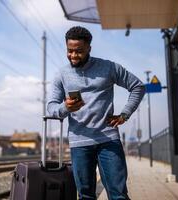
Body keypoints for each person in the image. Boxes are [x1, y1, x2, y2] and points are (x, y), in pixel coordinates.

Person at [47, 26, 145, 200]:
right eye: (70, 51)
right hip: (80, 143)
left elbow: (137, 86)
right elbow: (51, 107)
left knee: (119, 195)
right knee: (85, 196)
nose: (73, 56)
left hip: (108, 140)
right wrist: (66, 108)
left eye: (79, 51)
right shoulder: (61, 75)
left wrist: (125, 114)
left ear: (89, 49)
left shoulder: (108, 67)